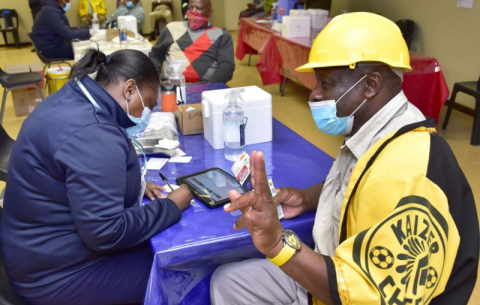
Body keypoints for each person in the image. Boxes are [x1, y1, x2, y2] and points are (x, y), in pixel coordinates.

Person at [210, 12, 479, 305]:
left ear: (370, 85)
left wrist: (278, 244)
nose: (314, 94)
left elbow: (367, 295)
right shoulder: (380, 127)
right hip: (339, 268)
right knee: (228, 282)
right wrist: (307, 197)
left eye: (325, 83)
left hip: (357, 291)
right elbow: (358, 179)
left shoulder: (405, 171)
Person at [0, 49, 193, 305]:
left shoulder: (76, 96)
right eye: (148, 103)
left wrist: (132, 184)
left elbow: (79, 174)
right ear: (129, 89)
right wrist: (170, 206)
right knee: (181, 271)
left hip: (36, 251)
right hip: (57, 277)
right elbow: (106, 231)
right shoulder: (94, 134)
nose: (146, 112)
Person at [149, 0, 235, 83]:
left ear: (210, 13)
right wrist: (154, 77)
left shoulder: (222, 35)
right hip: (171, 85)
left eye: (198, 8)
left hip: (205, 86)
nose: (193, 12)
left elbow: (226, 66)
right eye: (190, 8)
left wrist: (210, 86)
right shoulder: (171, 28)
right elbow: (156, 55)